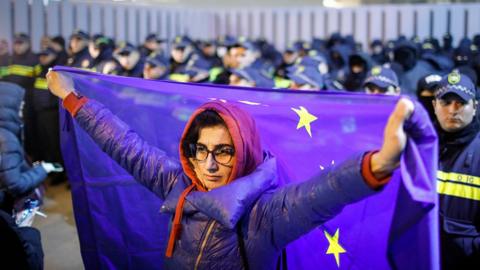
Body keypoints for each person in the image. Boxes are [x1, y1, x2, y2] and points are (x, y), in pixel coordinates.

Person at [46, 69, 414, 269]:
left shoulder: (264, 213)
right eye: (200, 149)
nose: (208, 163)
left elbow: (323, 193)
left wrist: (378, 164)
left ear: (244, 150)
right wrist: (72, 99)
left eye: (223, 151)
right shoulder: (181, 184)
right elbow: (125, 145)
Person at [432, 71, 480, 269]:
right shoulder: (418, 147)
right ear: (434, 106)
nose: (453, 110)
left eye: (461, 103)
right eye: (446, 103)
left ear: (475, 107)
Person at [0, 82, 59, 214]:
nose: (22, 108)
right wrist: (43, 169)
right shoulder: (7, 140)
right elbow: (15, 185)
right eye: (20, 105)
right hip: (12, 209)